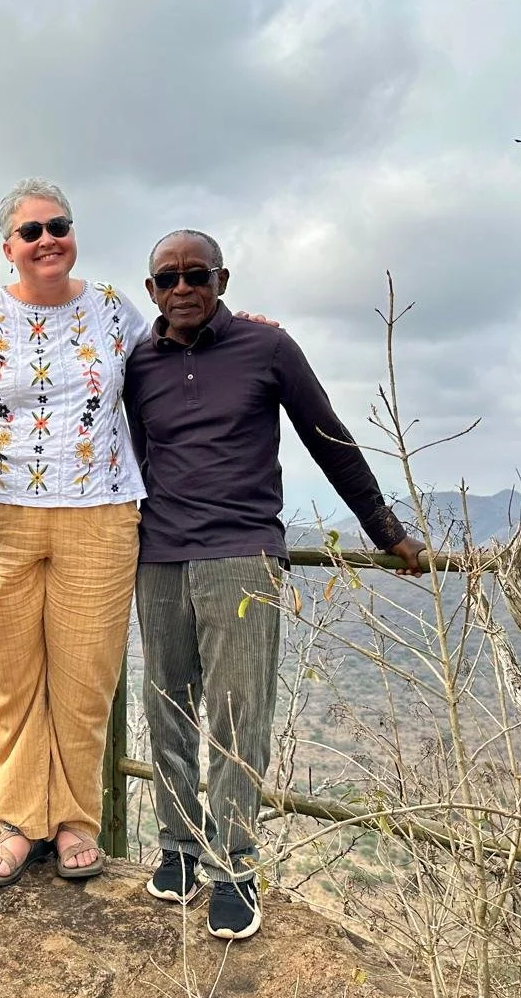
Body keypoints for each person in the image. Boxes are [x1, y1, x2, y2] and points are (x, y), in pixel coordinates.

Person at [124, 228, 426, 942]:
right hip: (158, 555)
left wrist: (387, 531)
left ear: (222, 280)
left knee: (239, 715)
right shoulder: (136, 363)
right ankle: (177, 849)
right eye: (167, 278)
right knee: (166, 705)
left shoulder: (268, 348)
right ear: (151, 291)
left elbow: (330, 439)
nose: (182, 288)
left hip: (241, 555)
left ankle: (233, 869)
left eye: (196, 274)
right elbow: (128, 452)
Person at [0, 177, 147, 886]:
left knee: (86, 678)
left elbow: (177, 355)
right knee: (8, 676)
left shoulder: (114, 308)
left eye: (58, 226)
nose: (47, 239)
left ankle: (75, 821)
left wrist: (245, 327)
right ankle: (21, 820)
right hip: (0, 517)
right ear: (9, 248)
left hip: (102, 513)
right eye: (31, 231)